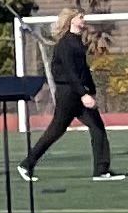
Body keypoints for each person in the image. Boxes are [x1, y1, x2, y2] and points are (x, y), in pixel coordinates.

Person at [27, 14, 112, 179]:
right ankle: (27, 164)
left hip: (78, 92)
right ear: (71, 20)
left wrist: (91, 89)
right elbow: (70, 72)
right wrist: (83, 94)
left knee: (97, 128)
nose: (83, 20)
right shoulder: (65, 44)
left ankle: (101, 170)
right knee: (56, 130)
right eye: (80, 17)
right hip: (68, 94)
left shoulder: (78, 42)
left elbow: (83, 69)